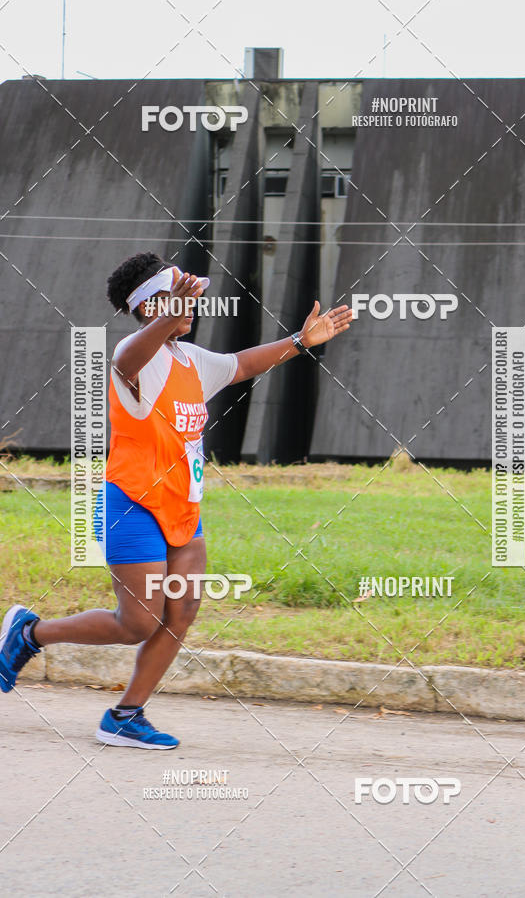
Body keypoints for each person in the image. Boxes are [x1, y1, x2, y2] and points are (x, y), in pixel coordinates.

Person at [0, 251, 353, 749]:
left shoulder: (191, 360)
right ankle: (30, 634)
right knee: (137, 623)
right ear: (148, 306)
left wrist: (300, 342)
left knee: (183, 610)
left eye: (188, 298)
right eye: (174, 299)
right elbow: (128, 359)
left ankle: (125, 715)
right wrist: (171, 310)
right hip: (133, 505)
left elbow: (242, 363)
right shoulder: (133, 357)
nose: (190, 308)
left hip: (184, 507)